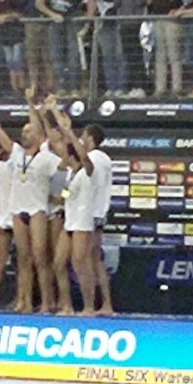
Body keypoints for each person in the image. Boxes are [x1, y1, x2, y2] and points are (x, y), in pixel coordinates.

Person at [0, 90, 62, 314]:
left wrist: (31, 105)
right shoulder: (16, 153)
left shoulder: (47, 158)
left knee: (40, 258)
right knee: (23, 260)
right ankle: (23, 301)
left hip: (37, 210)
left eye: (28, 131)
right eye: (23, 130)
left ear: (38, 136)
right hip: (18, 210)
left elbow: (68, 172)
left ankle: (46, 302)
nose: (24, 133)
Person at [47, 100, 96, 316]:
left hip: (82, 222)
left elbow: (83, 156)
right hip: (69, 221)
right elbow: (55, 197)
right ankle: (66, 305)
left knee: (79, 264)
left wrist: (68, 130)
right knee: (58, 263)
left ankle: (88, 306)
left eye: (64, 154)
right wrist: (59, 170)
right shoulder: (66, 173)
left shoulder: (87, 171)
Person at [81, 124, 114, 315]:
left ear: (90, 137)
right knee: (96, 260)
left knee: (86, 260)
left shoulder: (93, 158)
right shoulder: (106, 159)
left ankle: (90, 305)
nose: (81, 139)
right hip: (100, 212)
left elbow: (90, 185)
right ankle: (106, 304)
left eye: (83, 135)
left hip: (90, 213)